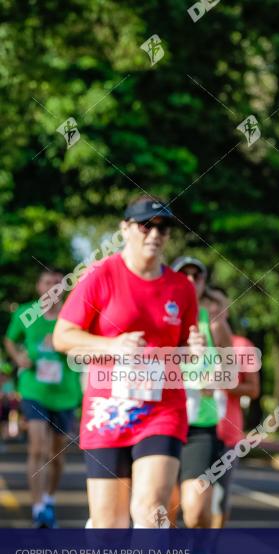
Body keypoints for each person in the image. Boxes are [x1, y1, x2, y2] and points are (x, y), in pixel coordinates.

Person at [53, 195, 203, 528]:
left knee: (151, 510)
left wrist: (194, 349)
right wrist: (114, 345)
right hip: (108, 410)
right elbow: (63, 336)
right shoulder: (100, 275)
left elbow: (184, 350)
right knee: (109, 526)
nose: (155, 234)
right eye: (145, 225)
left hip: (162, 409)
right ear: (125, 228)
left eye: (163, 228)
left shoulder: (181, 288)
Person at [4, 268, 82, 527]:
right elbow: (9, 339)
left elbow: (84, 348)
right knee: (37, 448)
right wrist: (18, 358)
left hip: (65, 394)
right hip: (33, 390)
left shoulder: (71, 316)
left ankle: (49, 498)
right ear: (39, 287)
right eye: (47, 282)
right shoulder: (26, 313)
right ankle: (38, 508)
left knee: (57, 457)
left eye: (57, 283)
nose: (52, 287)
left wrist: (64, 344)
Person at [169, 257, 233, 528]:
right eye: (185, 274)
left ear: (204, 284)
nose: (191, 280)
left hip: (200, 425)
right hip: (163, 420)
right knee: (163, 510)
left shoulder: (214, 324)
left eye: (198, 275)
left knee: (195, 511)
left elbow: (231, 370)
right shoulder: (160, 318)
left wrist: (218, 377)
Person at [206, 287, 260, 528]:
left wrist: (224, 385)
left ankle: (210, 553)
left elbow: (253, 389)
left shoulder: (242, 346)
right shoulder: (188, 343)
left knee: (219, 497)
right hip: (188, 429)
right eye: (209, 304)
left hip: (226, 433)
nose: (214, 309)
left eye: (220, 304)